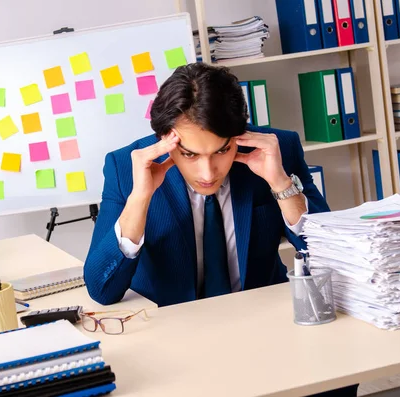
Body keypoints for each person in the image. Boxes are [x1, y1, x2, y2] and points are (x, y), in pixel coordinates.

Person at [84, 63, 355, 395]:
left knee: (337, 373)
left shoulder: (273, 149)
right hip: (173, 343)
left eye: (221, 151)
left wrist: (279, 182)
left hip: (265, 326)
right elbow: (102, 288)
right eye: (190, 154)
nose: (208, 171)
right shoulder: (127, 166)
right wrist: (141, 197)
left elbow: (330, 255)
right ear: (165, 141)